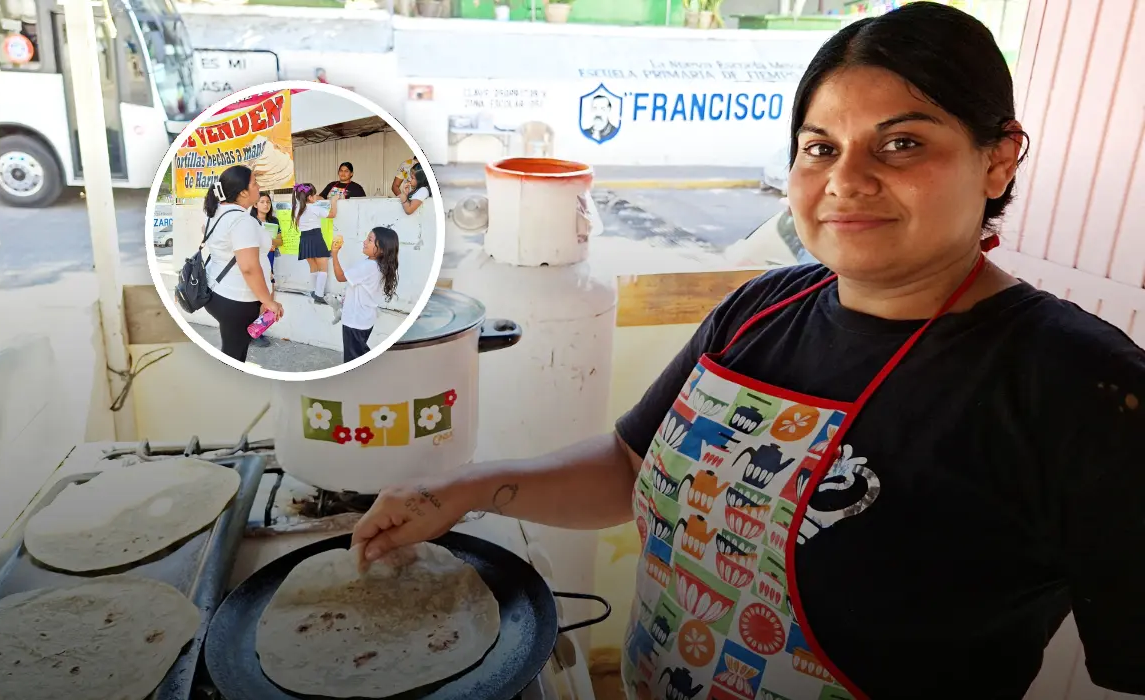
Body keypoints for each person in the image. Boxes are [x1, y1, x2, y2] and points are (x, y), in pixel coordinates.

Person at [351, 4, 1145, 700]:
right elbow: (632, 469)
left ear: (999, 157)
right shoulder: (764, 308)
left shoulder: (1078, 384)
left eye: (901, 143)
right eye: (819, 146)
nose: (846, 179)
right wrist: (467, 488)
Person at [201, 165, 284, 363]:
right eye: (255, 183)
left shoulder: (216, 212)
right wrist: (268, 301)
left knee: (232, 348)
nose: (258, 186)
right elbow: (248, 267)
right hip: (237, 301)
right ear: (244, 192)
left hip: (218, 292)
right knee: (234, 357)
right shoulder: (241, 221)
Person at [330, 226, 399, 363]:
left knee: (353, 360)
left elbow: (340, 277)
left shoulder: (368, 266)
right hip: (365, 319)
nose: (364, 242)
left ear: (382, 248)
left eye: (370, 240)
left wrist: (334, 254)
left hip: (355, 321)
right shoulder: (379, 265)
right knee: (359, 353)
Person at [291, 182, 338, 305]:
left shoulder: (296, 209)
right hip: (316, 237)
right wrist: (333, 201)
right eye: (314, 195)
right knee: (323, 268)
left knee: (313, 267)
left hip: (304, 239)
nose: (316, 197)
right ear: (310, 197)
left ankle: (313, 291)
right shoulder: (314, 208)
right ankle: (319, 294)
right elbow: (332, 214)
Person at [249, 192, 284, 347]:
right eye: (262, 201)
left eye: (268, 202)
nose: (265, 204)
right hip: (254, 263)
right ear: (255, 204)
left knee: (268, 298)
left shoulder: (274, 221)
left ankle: (258, 331)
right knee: (252, 300)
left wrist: (271, 243)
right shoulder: (249, 221)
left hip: (269, 262)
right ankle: (249, 332)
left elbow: (280, 241)